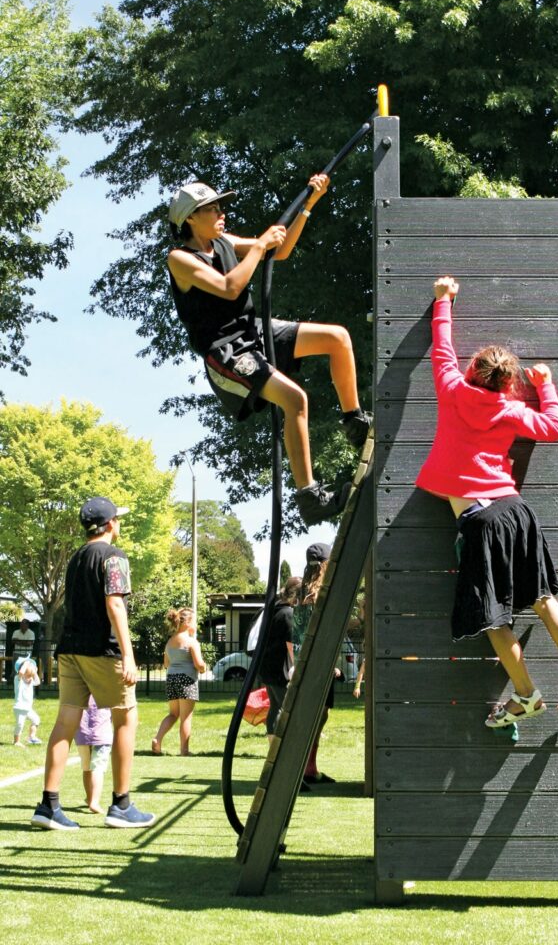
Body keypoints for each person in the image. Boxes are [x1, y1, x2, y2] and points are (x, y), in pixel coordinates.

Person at [416, 277, 558, 728]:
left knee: (493, 616)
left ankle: (525, 695)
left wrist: (444, 299)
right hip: (516, 510)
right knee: (541, 597)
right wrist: (546, 384)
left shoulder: (453, 390)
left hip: (481, 518)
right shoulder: (512, 410)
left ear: (473, 368)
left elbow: (441, 348)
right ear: (508, 381)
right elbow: (553, 427)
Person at [167, 175, 372, 527]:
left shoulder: (225, 242)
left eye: (220, 206)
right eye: (212, 209)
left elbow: (282, 249)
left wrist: (309, 204)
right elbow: (231, 288)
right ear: (189, 218)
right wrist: (260, 247)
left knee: (337, 338)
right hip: (226, 350)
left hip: (254, 330)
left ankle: (353, 422)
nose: (221, 213)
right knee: (296, 400)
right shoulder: (180, 259)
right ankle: (309, 497)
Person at [31, 496, 155, 831]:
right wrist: (129, 655)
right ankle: (121, 805)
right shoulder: (114, 556)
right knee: (126, 718)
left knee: (65, 723)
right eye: (118, 519)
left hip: (70, 650)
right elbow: (115, 605)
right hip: (103, 652)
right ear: (111, 523)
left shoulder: (75, 558)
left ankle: (48, 805)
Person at [294, 542, 340, 784]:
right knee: (315, 718)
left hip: (309, 662)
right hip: (317, 664)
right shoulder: (317, 594)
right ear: (325, 564)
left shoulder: (302, 591)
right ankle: (305, 768)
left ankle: (310, 767)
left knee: (319, 717)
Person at [152, 607, 206, 756]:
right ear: (187, 622)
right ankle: (184, 750)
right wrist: (203, 668)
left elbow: (166, 663)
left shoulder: (170, 641)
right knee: (186, 716)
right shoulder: (191, 642)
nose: (195, 624)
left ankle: (157, 740)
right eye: (194, 621)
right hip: (187, 679)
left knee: (173, 714)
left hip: (171, 678)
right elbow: (199, 664)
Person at [258, 577, 301, 744]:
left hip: (267, 666)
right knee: (287, 707)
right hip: (280, 669)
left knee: (275, 707)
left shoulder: (273, 610)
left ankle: (272, 746)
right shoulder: (288, 614)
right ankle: (283, 746)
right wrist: (296, 665)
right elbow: (291, 643)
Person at [74, 696, 113, 814]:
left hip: (82, 734)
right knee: (98, 768)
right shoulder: (104, 689)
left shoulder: (80, 687)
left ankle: (89, 797)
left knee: (86, 768)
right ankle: (94, 802)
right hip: (101, 734)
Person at [13, 657, 42, 747]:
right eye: (28, 674)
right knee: (20, 724)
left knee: (36, 720)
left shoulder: (31, 681)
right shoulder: (18, 680)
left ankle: (31, 736)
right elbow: (21, 672)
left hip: (28, 708)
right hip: (20, 707)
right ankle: (16, 741)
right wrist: (26, 663)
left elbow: (38, 682)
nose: (30, 677)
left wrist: (34, 672)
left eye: (31, 675)